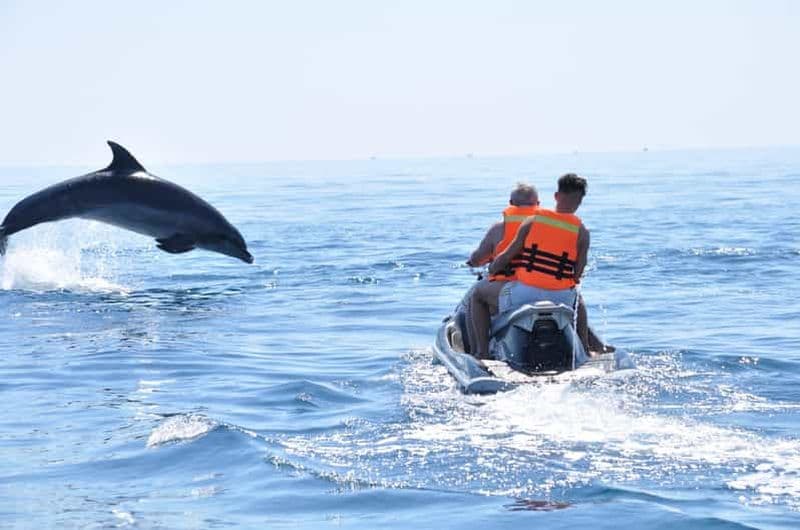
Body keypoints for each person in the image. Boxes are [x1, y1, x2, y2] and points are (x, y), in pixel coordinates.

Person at [471, 173, 602, 358]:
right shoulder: (582, 232)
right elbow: (578, 272)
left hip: (524, 292)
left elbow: (507, 256)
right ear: (580, 201)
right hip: (562, 297)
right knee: (578, 300)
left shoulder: (533, 221)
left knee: (478, 295)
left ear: (556, 196)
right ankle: (585, 349)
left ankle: (481, 352)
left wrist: (492, 269)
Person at [464, 183, 539, 356]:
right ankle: (587, 345)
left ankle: (481, 352)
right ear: (538, 203)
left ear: (511, 202)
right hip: (548, 288)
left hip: (514, 290)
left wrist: (472, 262)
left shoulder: (499, 228)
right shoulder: (550, 226)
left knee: (477, 295)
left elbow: (477, 258)